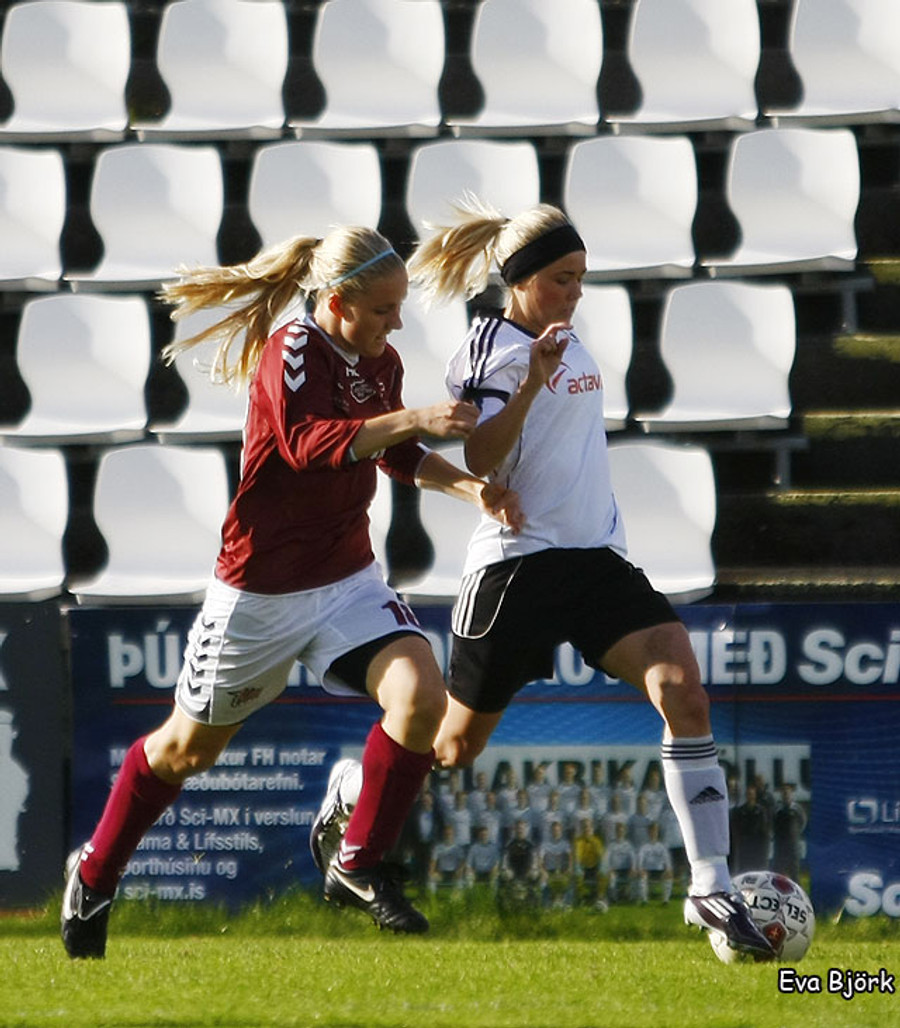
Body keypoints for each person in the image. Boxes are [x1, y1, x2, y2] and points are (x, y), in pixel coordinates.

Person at [312, 199, 773, 958]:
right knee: (452, 749)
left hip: (597, 562)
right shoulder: (490, 348)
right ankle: (352, 790)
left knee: (682, 691)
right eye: (562, 278)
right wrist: (530, 382)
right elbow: (481, 457)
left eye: (581, 277)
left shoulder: (564, 336)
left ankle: (709, 885)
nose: (576, 292)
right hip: (515, 571)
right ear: (520, 281)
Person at [60, 226, 523, 959]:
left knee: (421, 699)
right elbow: (311, 446)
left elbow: (393, 452)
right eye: (383, 309)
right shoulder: (292, 352)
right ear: (337, 302)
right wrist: (416, 417)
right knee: (185, 752)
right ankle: (94, 873)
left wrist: (472, 490)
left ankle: (357, 861)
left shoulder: (381, 359)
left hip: (346, 580)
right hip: (260, 594)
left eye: (399, 308)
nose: (396, 323)